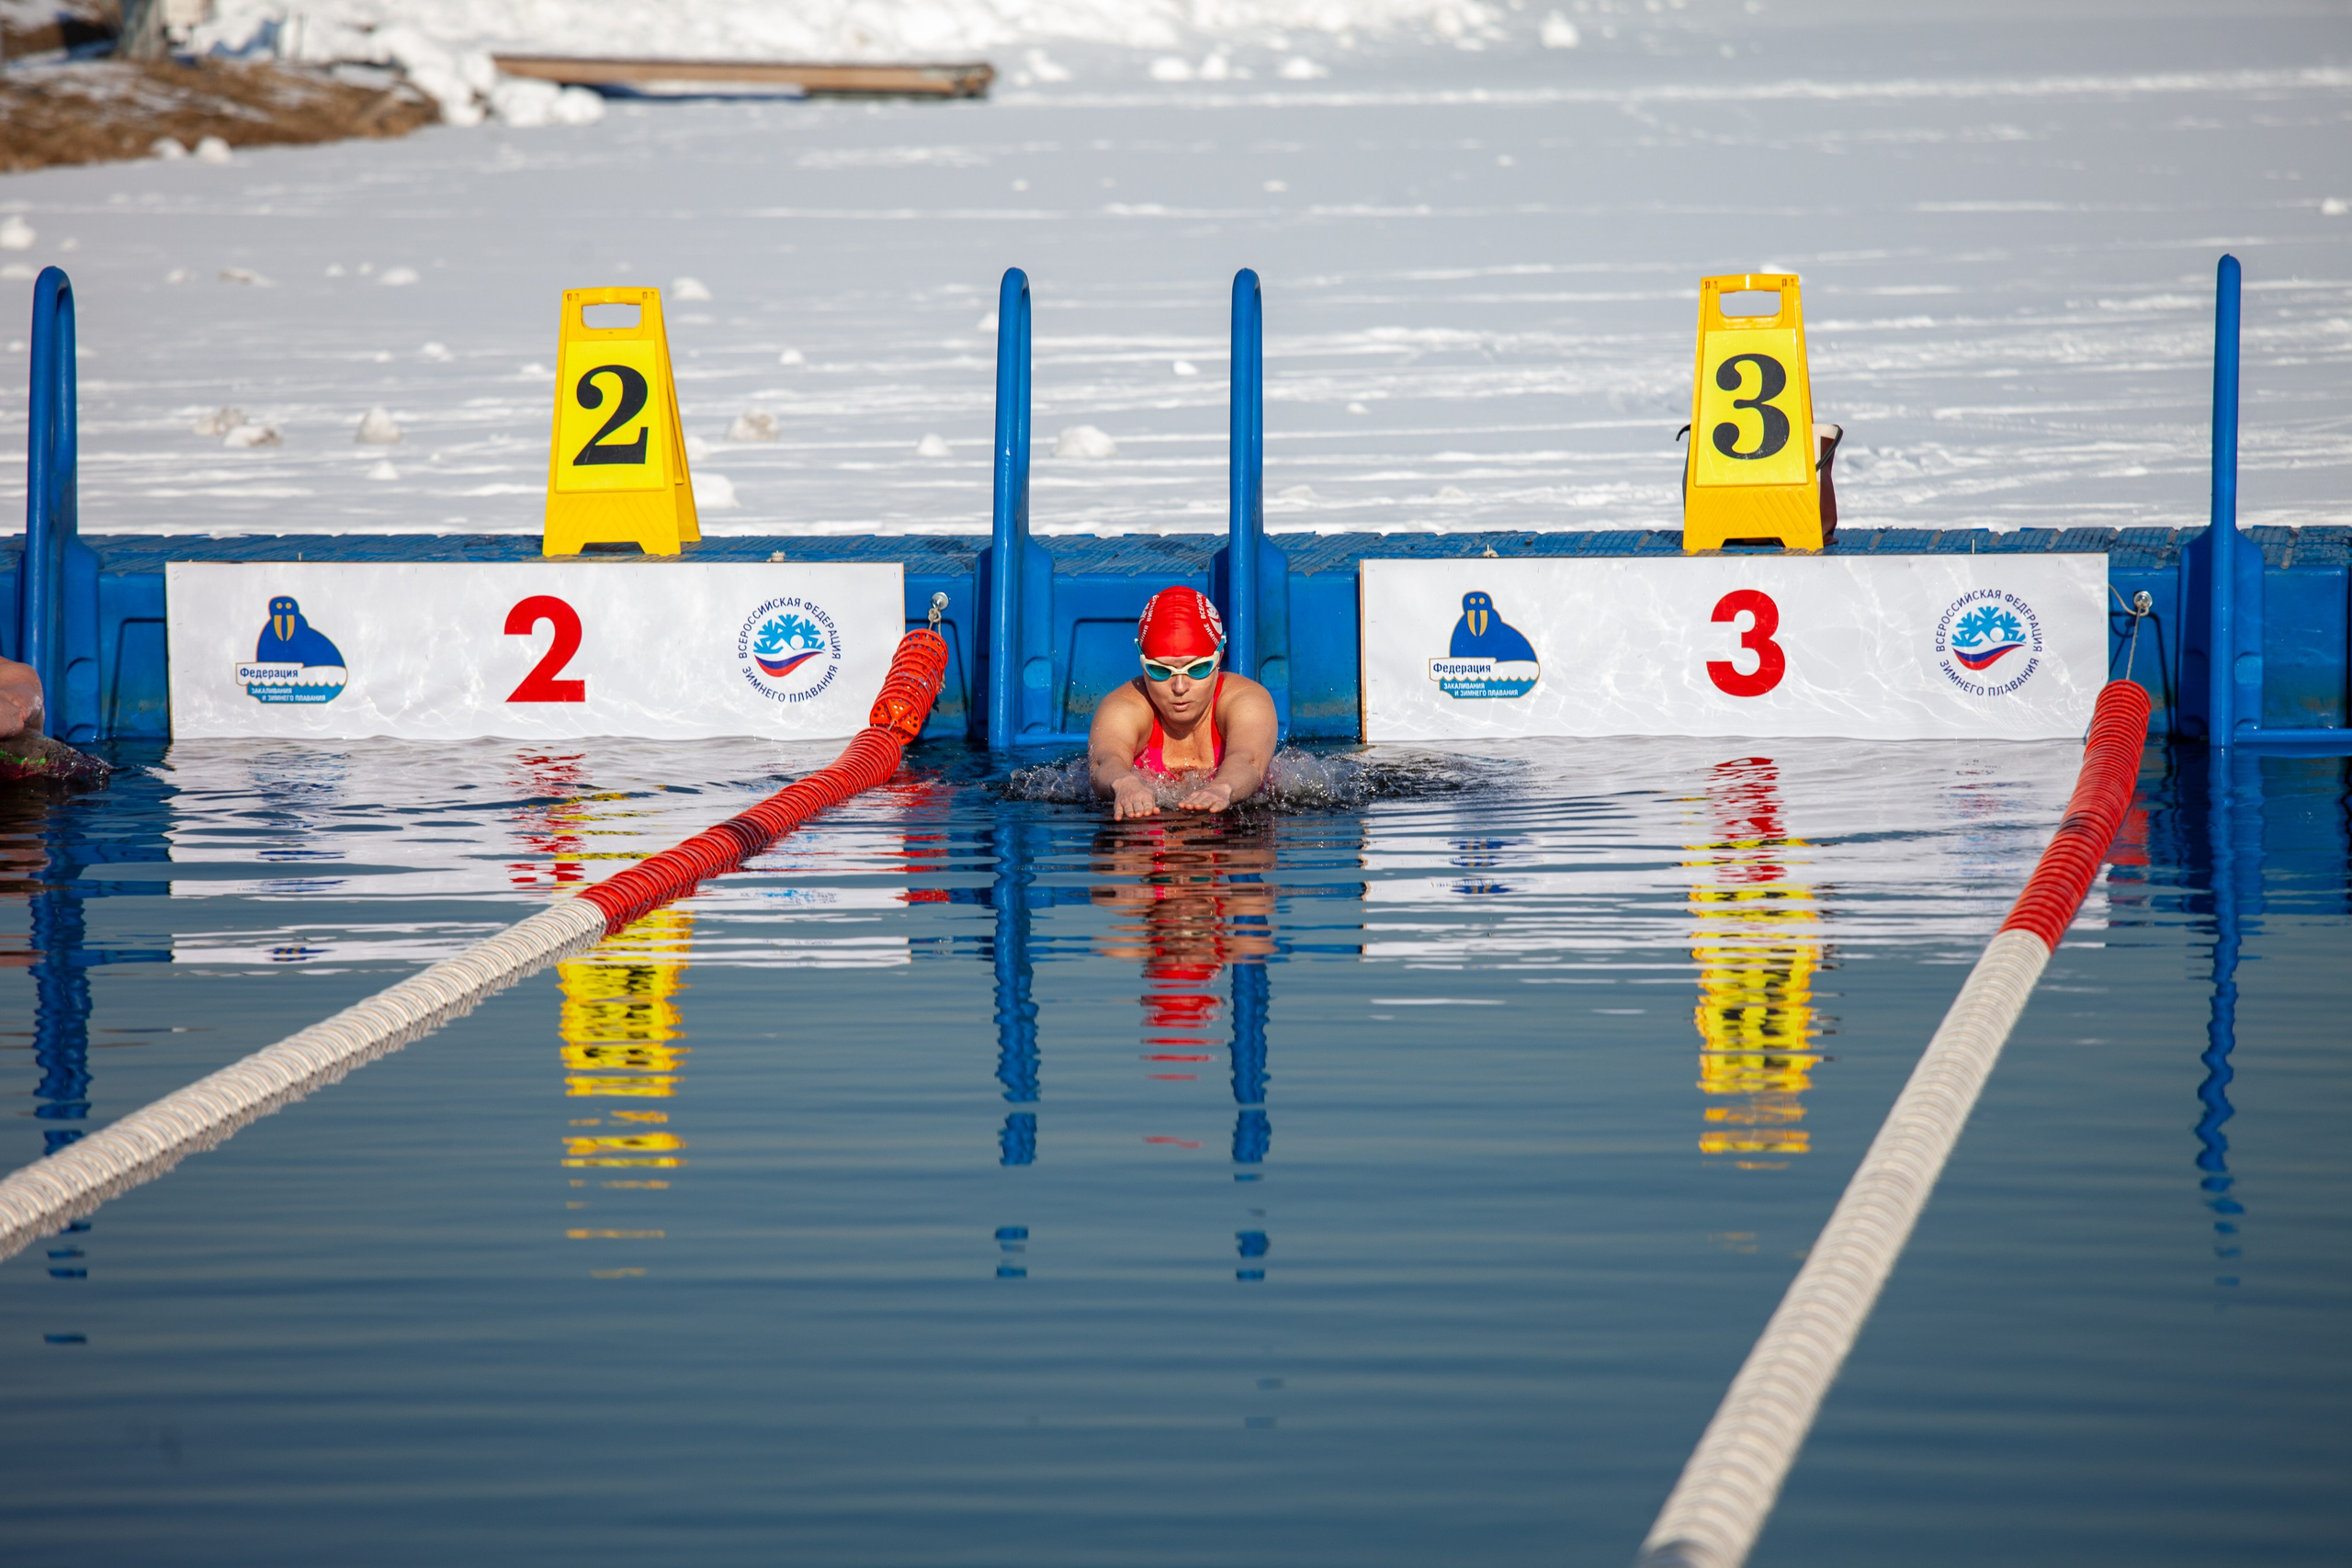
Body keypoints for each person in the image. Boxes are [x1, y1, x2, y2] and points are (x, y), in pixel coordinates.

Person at [1088, 586, 1277, 820]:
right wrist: (1124, 783)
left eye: (1197, 669)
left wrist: (1223, 786)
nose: (1179, 687)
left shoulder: (1246, 700)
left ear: (1218, 658)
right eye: (1160, 670)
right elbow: (1104, 762)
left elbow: (1248, 760)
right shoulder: (1125, 706)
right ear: (1142, 662)